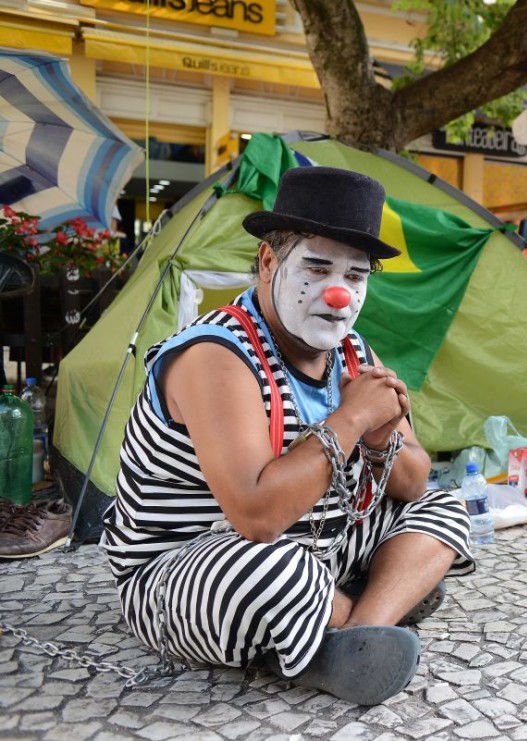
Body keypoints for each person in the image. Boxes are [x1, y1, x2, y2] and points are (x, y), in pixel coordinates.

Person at [100, 167, 474, 706]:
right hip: (189, 568)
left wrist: (381, 434)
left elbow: (413, 485)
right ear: (268, 261)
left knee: (444, 508)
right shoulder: (216, 355)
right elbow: (256, 517)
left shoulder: (353, 352)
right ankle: (374, 607)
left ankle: (356, 632)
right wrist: (350, 419)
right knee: (277, 566)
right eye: (317, 268)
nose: (339, 295)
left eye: (356, 276)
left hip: (318, 541)